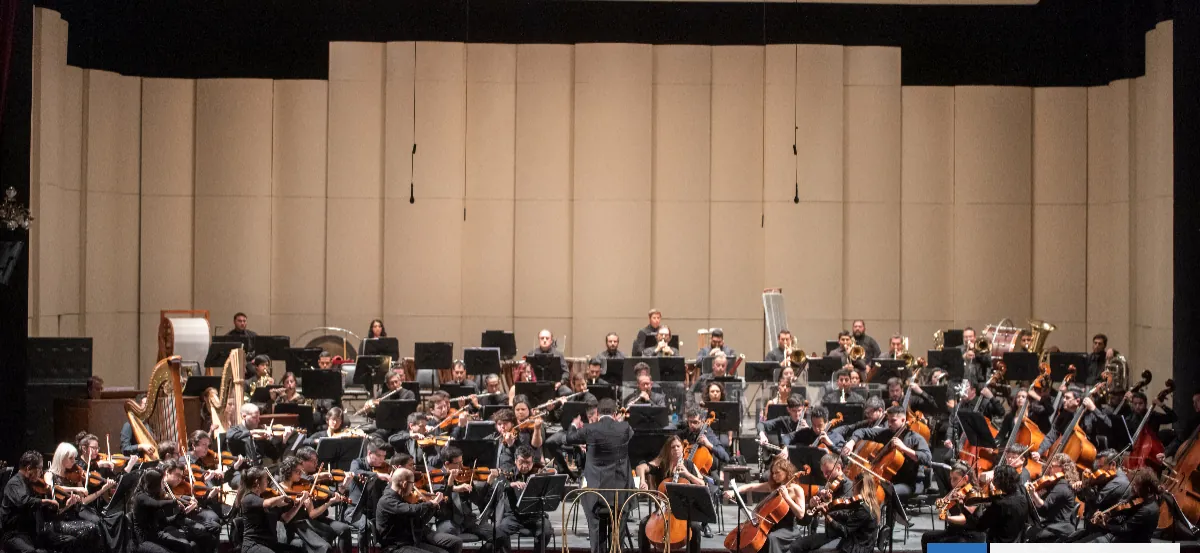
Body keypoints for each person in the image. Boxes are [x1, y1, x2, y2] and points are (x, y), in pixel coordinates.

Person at [563, 398, 635, 553]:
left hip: (595, 493)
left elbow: (569, 438)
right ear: (615, 413)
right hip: (619, 493)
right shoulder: (625, 427)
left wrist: (575, 425)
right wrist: (618, 422)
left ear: (597, 413)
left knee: (596, 535)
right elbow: (628, 436)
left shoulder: (590, 429)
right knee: (617, 539)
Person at [841, 406, 932, 501]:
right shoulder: (887, 433)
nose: (889, 424)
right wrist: (851, 442)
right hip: (888, 480)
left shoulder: (915, 438)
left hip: (910, 483)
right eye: (888, 420)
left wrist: (904, 449)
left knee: (884, 492)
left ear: (903, 420)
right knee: (862, 487)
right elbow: (862, 431)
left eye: (893, 421)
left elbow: (927, 459)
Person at [634, 436, 705, 553]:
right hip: (662, 511)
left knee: (696, 528)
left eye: (678, 446)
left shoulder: (689, 465)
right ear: (668, 450)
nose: (676, 449)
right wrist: (642, 480)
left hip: (683, 512)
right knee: (643, 524)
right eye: (673, 447)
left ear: (682, 448)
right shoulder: (661, 464)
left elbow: (703, 484)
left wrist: (688, 474)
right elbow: (640, 467)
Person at [2, 450, 80, 553]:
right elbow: (24, 502)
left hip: (34, 532)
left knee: (71, 541)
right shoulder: (14, 483)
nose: (41, 472)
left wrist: (67, 506)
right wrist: (47, 501)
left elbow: (47, 515)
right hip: (15, 534)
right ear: (29, 468)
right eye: (39, 468)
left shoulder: (34, 486)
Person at [724, 457, 805, 553]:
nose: (774, 476)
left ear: (786, 471)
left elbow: (801, 514)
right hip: (770, 527)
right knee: (748, 537)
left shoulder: (796, 489)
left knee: (771, 538)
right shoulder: (773, 487)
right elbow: (751, 486)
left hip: (788, 529)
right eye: (773, 473)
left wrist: (787, 498)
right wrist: (734, 491)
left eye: (777, 473)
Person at [790, 474, 882, 553]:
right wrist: (829, 508)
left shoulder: (864, 510)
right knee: (800, 545)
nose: (853, 490)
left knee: (804, 548)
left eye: (854, 487)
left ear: (862, 489)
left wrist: (827, 515)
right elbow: (847, 515)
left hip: (854, 549)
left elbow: (844, 531)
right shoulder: (865, 504)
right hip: (852, 544)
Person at [277, 456, 352, 553]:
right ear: (288, 472)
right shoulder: (279, 489)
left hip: (304, 524)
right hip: (292, 528)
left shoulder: (301, 487)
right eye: (297, 472)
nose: (301, 474)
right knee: (325, 547)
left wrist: (329, 502)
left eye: (301, 471)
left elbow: (311, 513)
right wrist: (300, 503)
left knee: (328, 535)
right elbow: (286, 519)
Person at [375, 468, 460, 553]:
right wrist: (430, 503)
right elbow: (412, 509)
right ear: (404, 484)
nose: (413, 487)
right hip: (395, 546)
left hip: (411, 541)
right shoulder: (387, 501)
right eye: (412, 483)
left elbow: (420, 523)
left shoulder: (404, 498)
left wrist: (433, 507)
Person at [488, 447, 553, 553]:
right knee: (499, 533)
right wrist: (510, 484)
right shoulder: (508, 472)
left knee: (546, 531)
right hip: (513, 516)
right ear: (515, 461)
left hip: (535, 516)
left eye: (528, 463)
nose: (524, 466)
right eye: (521, 462)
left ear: (532, 461)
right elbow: (497, 484)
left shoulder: (538, 473)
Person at [431, 446, 495, 552]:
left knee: (496, 534)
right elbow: (443, 499)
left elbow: (478, 500)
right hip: (448, 521)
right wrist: (451, 484)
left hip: (469, 520)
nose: (462, 467)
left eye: (462, 462)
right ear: (447, 464)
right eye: (458, 463)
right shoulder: (437, 479)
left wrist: (488, 483)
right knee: (450, 538)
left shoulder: (465, 476)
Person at [128, 467, 201, 553]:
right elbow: (157, 504)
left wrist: (182, 513)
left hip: (156, 535)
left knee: (187, 546)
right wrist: (175, 502)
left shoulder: (154, 496)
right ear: (155, 484)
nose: (164, 484)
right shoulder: (141, 497)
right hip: (143, 540)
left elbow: (165, 522)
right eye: (162, 482)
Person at [237, 467, 305, 553]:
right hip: (254, 545)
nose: (268, 482)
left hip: (270, 544)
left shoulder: (265, 499)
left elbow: (286, 518)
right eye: (265, 480)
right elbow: (268, 503)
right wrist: (283, 497)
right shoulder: (248, 498)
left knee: (298, 550)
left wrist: (300, 502)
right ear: (257, 482)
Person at [1085, 467, 1160, 543]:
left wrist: (1105, 526)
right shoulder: (1146, 498)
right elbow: (1125, 510)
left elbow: (1124, 529)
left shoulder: (1147, 510)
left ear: (1146, 489)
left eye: (1137, 485)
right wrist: (1109, 514)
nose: (1134, 487)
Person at [159, 460, 220, 553]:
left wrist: (189, 500)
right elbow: (170, 514)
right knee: (205, 532)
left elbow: (178, 498)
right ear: (167, 472)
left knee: (215, 526)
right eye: (177, 475)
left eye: (181, 476)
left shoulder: (170, 488)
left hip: (181, 518)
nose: (180, 479)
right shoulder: (161, 488)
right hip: (173, 523)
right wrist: (186, 510)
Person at [1034, 387, 1111, 459]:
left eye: (1067, 398)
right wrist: (1039, 452)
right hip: (1067, 452)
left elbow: (1108, 425)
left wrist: (1094, 409)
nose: (1063, 400)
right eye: (1064, 397)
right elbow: (1052, 435)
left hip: (1085, 456)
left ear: (1077, 401)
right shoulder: (1064, 414)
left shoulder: (1090, 415)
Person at [920, 463, 985, 548]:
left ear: (965, 478)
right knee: (927, 537)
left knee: (946, 544)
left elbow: (963, 519)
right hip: (955, 531)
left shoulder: (974, 494)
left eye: (955, 479)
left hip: (969, 535)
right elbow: (940, 506)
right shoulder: (956, 492)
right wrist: (941, 504)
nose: (952, 482)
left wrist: (948, 518)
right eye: (951, 479)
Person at [964, 465, 1030, 543]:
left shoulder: (1000, 505)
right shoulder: (1022, 492)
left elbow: (980, 526)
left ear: (998, 482)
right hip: (1016, 541)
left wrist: (966, 510)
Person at [1026, 453, 1081, 541]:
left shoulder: (1061, 486)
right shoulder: (1059, 483)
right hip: (1056, 524)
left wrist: (1033, 494)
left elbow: (1044, 506)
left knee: (1026, 531)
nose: (1050, 468)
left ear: (1062, 468)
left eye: (1052, 466)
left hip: (1058, 528)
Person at [227, 403, 297, 465]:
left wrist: (284, 440)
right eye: (254, 417)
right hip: (241, 472)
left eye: (259, 417)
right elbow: (230, 435)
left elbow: (274, 456)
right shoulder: (235, 430)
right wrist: (253, 432)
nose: (258, 420)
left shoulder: (260, 436)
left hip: (258, 471)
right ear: (244, 416)